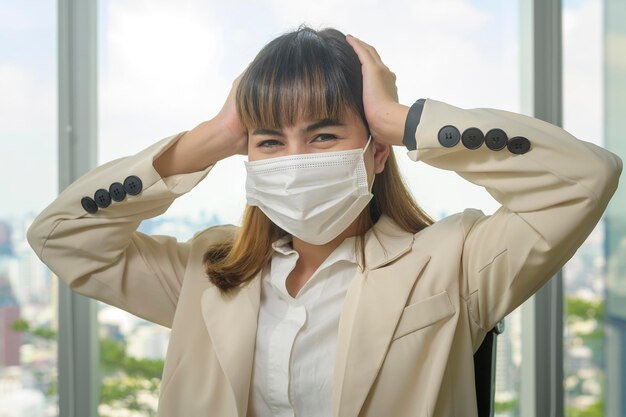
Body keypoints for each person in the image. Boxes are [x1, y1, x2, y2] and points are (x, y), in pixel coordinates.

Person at [26, 24, 622, 417]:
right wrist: (211, 138)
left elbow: (583, 179)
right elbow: (60, 236)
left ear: (375, 151)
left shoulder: (452, 264)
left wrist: (401, 119)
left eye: (323, 135)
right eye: (269, 142)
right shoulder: (204, 275)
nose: (294, 161)